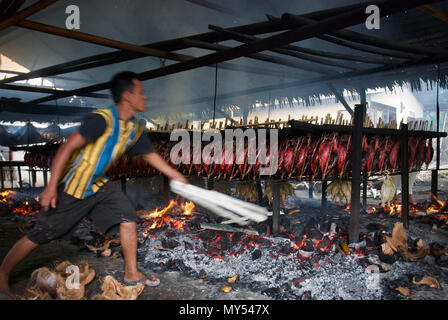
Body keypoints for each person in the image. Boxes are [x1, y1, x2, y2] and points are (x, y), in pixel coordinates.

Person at [0, 71, 188, 295]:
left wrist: (174, 174)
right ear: (127, 96)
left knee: (128, 215)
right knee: (43, 232)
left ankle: (131, 272)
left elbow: (149, 155)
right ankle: (2, 272)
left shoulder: (134, 128)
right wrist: (51, 186)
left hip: (100, 185)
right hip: (75, 187)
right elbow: (67, 147)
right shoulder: (101, 120)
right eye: (141, 93)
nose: (145, 97)